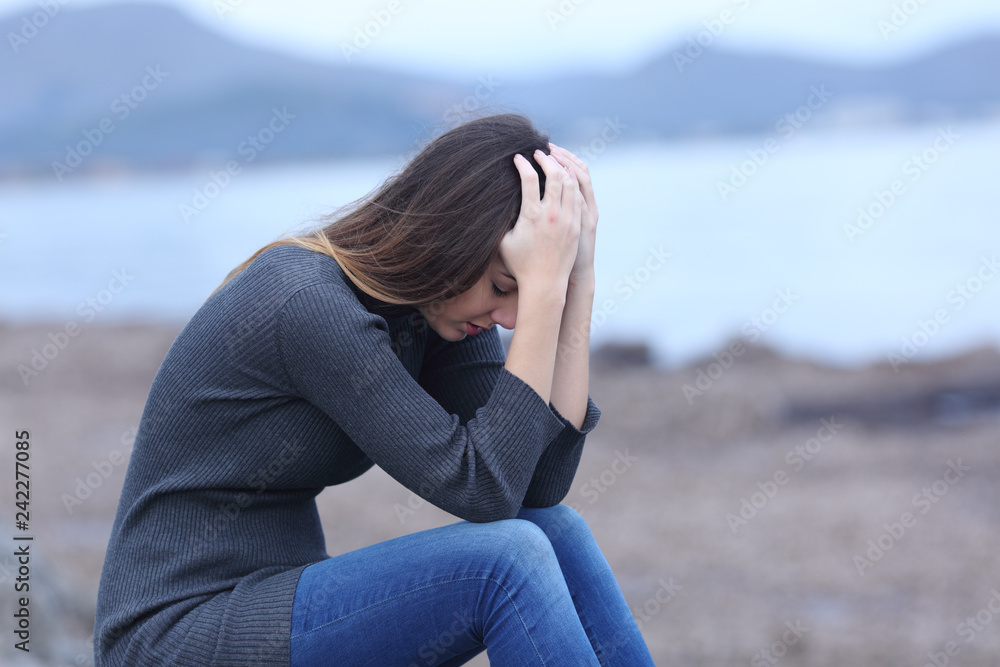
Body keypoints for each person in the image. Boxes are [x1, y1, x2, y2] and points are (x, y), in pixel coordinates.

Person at [93, 113, 655, 666]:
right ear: (451, 242)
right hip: (174, 634)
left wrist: (572, 285)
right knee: (507, 562)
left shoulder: (439, 311)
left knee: (554, 531)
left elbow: (537, 485)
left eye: (526, 295)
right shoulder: (308, 303)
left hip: (279, 603)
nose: (511, 318)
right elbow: (483, 490)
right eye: (505, 288)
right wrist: (541, 296)